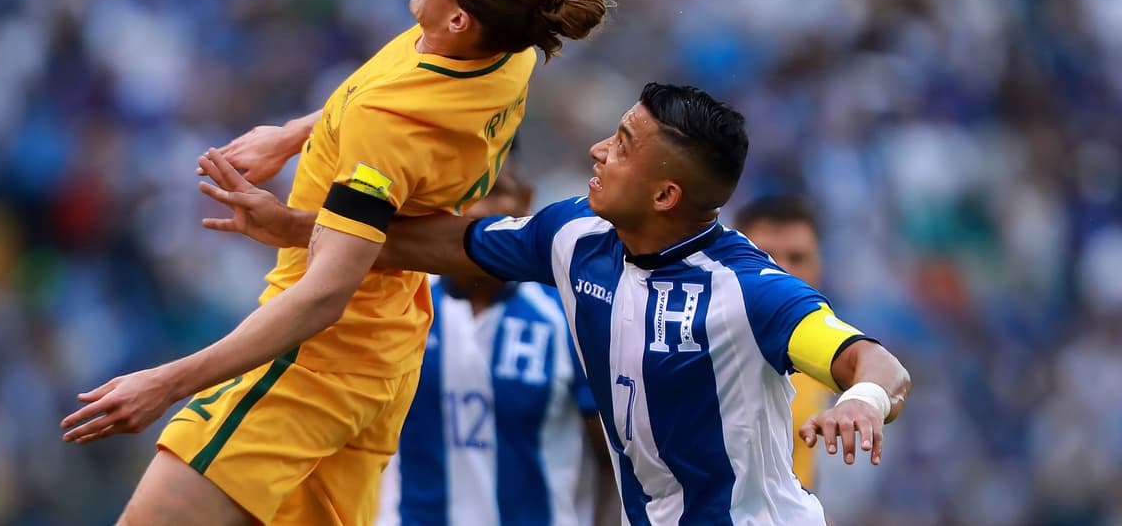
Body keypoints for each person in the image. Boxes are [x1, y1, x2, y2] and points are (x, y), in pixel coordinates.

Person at [60, 0, 609, 526]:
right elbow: (384, 95)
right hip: (387, 349)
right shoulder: (510, 52)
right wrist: (295, 136)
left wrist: (167, 383)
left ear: (460, 20)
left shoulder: (391, 123)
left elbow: (324, 294)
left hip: (315, 362)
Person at [198, 82, 911, 525]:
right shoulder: (576, 236)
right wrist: (293, 225)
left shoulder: (748, 288)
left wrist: (862, 400)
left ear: (666, 194)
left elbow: (873, 361)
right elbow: (446, 243)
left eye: (622, 145)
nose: (598, 149)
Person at [376, 154, 618, 526]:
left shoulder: (571, 316)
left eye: (493, 192)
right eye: (461, 194)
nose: (475, 210)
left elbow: (613, 461)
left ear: (525, 200)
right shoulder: (397, 307)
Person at [735, 195, 831, 494]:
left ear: (818, 270)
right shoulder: (695, 349)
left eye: (797, 258)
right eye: (765, 255)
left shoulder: (829, 363)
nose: (781, 272)